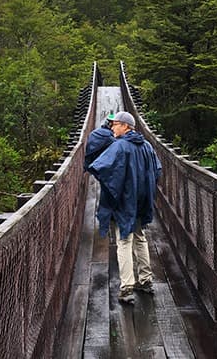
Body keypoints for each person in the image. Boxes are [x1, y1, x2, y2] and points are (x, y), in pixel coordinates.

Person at [88, 111, 162, 305]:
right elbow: (157, 170)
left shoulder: (119, 146)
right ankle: (145, 281)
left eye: (115, 124)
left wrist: (116, 187)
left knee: (124, 240)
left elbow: (100, 168)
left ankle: (127, 287)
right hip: (142, 201)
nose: (112, 128)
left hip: (125, 203)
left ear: (126, 126)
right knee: (140, 237)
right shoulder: (146, 145)